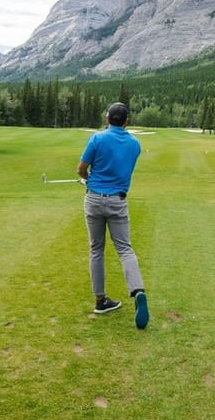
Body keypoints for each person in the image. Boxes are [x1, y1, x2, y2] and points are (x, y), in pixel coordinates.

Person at [77, 102, 148, 329]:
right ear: (126, 121)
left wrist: (87, 179)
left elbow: (81, 168)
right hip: (118, 200)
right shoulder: (135, 144)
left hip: (94, 198)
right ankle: (137, 290)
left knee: (96, 249)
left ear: (108, 118)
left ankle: (100, 300)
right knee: (125, 249)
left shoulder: (97, 139)